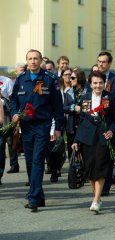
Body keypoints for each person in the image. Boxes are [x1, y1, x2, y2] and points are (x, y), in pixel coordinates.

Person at [10, 49, 64, 212]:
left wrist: (59, 128)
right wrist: (13, 114)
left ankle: (33, 198)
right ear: (27, 61)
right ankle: (39, 196)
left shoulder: (49, 79)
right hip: (26, 126)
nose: (33, 61)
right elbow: (13, 99)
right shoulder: (21, 79)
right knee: (29, 161)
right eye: (30, 59)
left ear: (41, 61)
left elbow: (57, 106)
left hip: (43, 125)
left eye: (36, 58)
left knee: (37, 160)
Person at [72, 70, 115, 213]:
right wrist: (76, 140)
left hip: (103, 138)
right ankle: (97, 197)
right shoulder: (85, 98)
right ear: (90, 83)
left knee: (100, 168)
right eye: (95, 83)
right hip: (87, 138)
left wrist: (111, 131)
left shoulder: (109, 98)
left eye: (100, 83)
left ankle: (96, 199)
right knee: (90, 169)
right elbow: (82, 120)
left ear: (104, 83)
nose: (98, 86)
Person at [97, 51, 115, 196]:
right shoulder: (94, 77)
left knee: (109, 154)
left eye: (103, 62)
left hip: (110, 121)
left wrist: (110, 99)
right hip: (96, 121)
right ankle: (96, 180)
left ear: (109, 64)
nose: (101, 64)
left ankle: (106, 185)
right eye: (99, 61)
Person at [64, 68, 88, 160]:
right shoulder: (69, 92)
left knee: (84, 152)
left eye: (73, 77)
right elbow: (64, 108)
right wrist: (73, 107)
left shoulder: (88, 91)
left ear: (80, 78)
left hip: (84, 125)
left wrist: (81, 109)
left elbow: (89, 109)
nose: (70, 79)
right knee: (72, 153)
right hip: (71, 126)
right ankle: (73, 172)